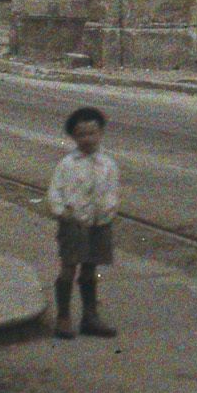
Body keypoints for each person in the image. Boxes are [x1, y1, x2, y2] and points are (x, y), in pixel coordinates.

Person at [47, 106, 120, 339]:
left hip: (99, 223)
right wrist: (62, 212)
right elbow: (55, 192)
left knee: (91, 268)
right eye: (82, 134)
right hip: (74, 223)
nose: (88, 139)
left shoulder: (107, 164)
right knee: (69, 266)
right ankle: (63, 317)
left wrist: (108, 212)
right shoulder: (67, 164)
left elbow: (112, 190)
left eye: (92, 133)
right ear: (74, 137)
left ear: (100, 134)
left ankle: (90, 317)